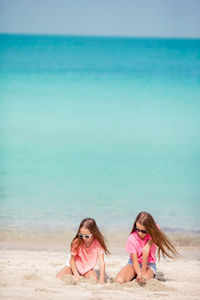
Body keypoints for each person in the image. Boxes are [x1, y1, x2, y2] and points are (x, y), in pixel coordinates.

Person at [115, 211, 179, 284]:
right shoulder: (131, 238)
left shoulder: (154, 231)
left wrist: (143, 272)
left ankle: (143, 275)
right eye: (137, 229)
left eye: (143, 231)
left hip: (149, 263)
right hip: (134, 263)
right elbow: (135, 261)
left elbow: (146, 249)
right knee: (119, 280)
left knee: (142, 281)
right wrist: (139, 273)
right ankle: (135, 274)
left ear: (149, 229)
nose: (140, 233)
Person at [56, 218, 109, 284]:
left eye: (87, 236)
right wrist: (76, 274)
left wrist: (101, 279)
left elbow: (101, 261)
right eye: (81, 235)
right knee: (58, 278)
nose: (83, 238)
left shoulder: (98, 243)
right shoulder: (76, 242)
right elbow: (72, 260)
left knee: (94, 280)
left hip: (86, 267)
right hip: (73, 265)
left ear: (93, 233)